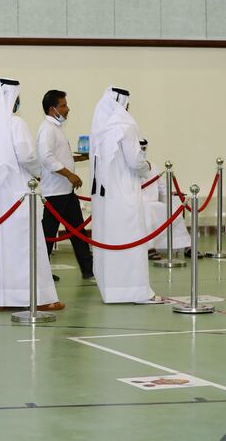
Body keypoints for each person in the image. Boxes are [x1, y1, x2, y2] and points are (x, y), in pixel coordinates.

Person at [0, 78, 63, 311]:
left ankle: (2, 300)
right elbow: (26, 156)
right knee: (25, 245)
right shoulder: (16, 123)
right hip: (17, 194)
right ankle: (38, 299)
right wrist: (39, 172)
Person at [90, 87, 159, 303]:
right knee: (130, 240)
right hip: (125, 194)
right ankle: (135, 291)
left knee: (110, 241)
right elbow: (135, 160)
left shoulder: (101, 127)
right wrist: (146, 166)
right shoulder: (126, 125)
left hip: (105, 197)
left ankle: (112, 291)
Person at [36, 90, 94, 280]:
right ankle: (40, 273)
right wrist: (70, 175)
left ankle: (88, 270)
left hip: (66, 191)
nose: (67, 109)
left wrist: (79, 157)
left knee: (78, 232)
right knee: (48, 234)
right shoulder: (47, 129)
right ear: (53, 109)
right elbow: (46, 157)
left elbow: (60, 155)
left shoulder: (57, 128)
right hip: (55, 191)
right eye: (63, 105)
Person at [139, 139, 194, 260]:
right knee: (147, 210)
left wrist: (174, 194)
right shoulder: (131, 168)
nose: (142, 151)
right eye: (140, 148)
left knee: (173, 211)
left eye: (144, 148)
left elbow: (163, 188)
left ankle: (186, 246)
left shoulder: (153, 167)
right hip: (138, 205)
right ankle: (149, 248)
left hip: (154, 203)